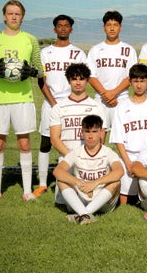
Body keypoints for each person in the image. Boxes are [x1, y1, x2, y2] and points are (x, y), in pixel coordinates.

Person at [0, 0, 43, 203]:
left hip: (23, 98)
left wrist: (31, 71)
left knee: (24, 144)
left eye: (17, 13)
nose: (14, 17)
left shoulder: (30, 39)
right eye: (10, 13)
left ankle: (27, 192)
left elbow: (40, 70)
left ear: (22, 17)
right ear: (4, 16)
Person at [34, 14, 88, 198]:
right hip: (51, 103)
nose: (63, 28)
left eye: (66, 26)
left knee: (74, 141)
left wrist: (71, 101)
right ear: (54, 29)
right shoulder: (45, 53)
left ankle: (76, 177)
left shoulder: (78, 53)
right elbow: (41, 81)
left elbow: (83, 80)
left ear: (71, 29)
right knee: (46, 142)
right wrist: (54, 103)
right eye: (59, 25)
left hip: (72, 104)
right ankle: (42, 184)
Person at [48, 62, 108, 205]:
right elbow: (54, 139)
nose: (78, 82)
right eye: (74, 79)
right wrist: (73, 157)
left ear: (87, 80)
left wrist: (85, 158)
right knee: (66, 204)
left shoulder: (97, 107)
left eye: (81, 79)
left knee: (92, 201)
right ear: (69, 80)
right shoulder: (59, 107)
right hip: (67, 161)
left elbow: (101, 137)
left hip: (91, 161)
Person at [52, 114, 124, 225]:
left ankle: (81, 214)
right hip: (81, 198)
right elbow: (57, 171)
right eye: (87, 131)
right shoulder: (76, 152)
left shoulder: (108, 152)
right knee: (61, 181)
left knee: (115, 182)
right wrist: (78, 182)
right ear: (82, 132)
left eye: (94, 131)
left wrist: (95, 183)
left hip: (103, 201)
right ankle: (85, 214)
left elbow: (119, 171)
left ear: (101, 132)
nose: (90, 136)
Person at [108, 63, 147, 205]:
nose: (139, 85)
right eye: (135, 81)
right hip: (128, 156)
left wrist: (145, 159)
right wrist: (128, 163)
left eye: (142, 81)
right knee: (125, 201)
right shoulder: (122, 106)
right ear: (130, 82)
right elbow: (118, 138)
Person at [87, 10, 138, 132]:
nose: (112, 28)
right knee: (98, 136)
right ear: (104, 27)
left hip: (121, 99)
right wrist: (105, 94)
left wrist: (113, 93)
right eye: (109, 25)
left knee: (123, 137)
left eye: (115, 25)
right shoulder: (95, 50)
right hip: (100, 99)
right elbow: (91, 76)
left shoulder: (129, 50)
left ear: (120, 27)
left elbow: (131, 76)